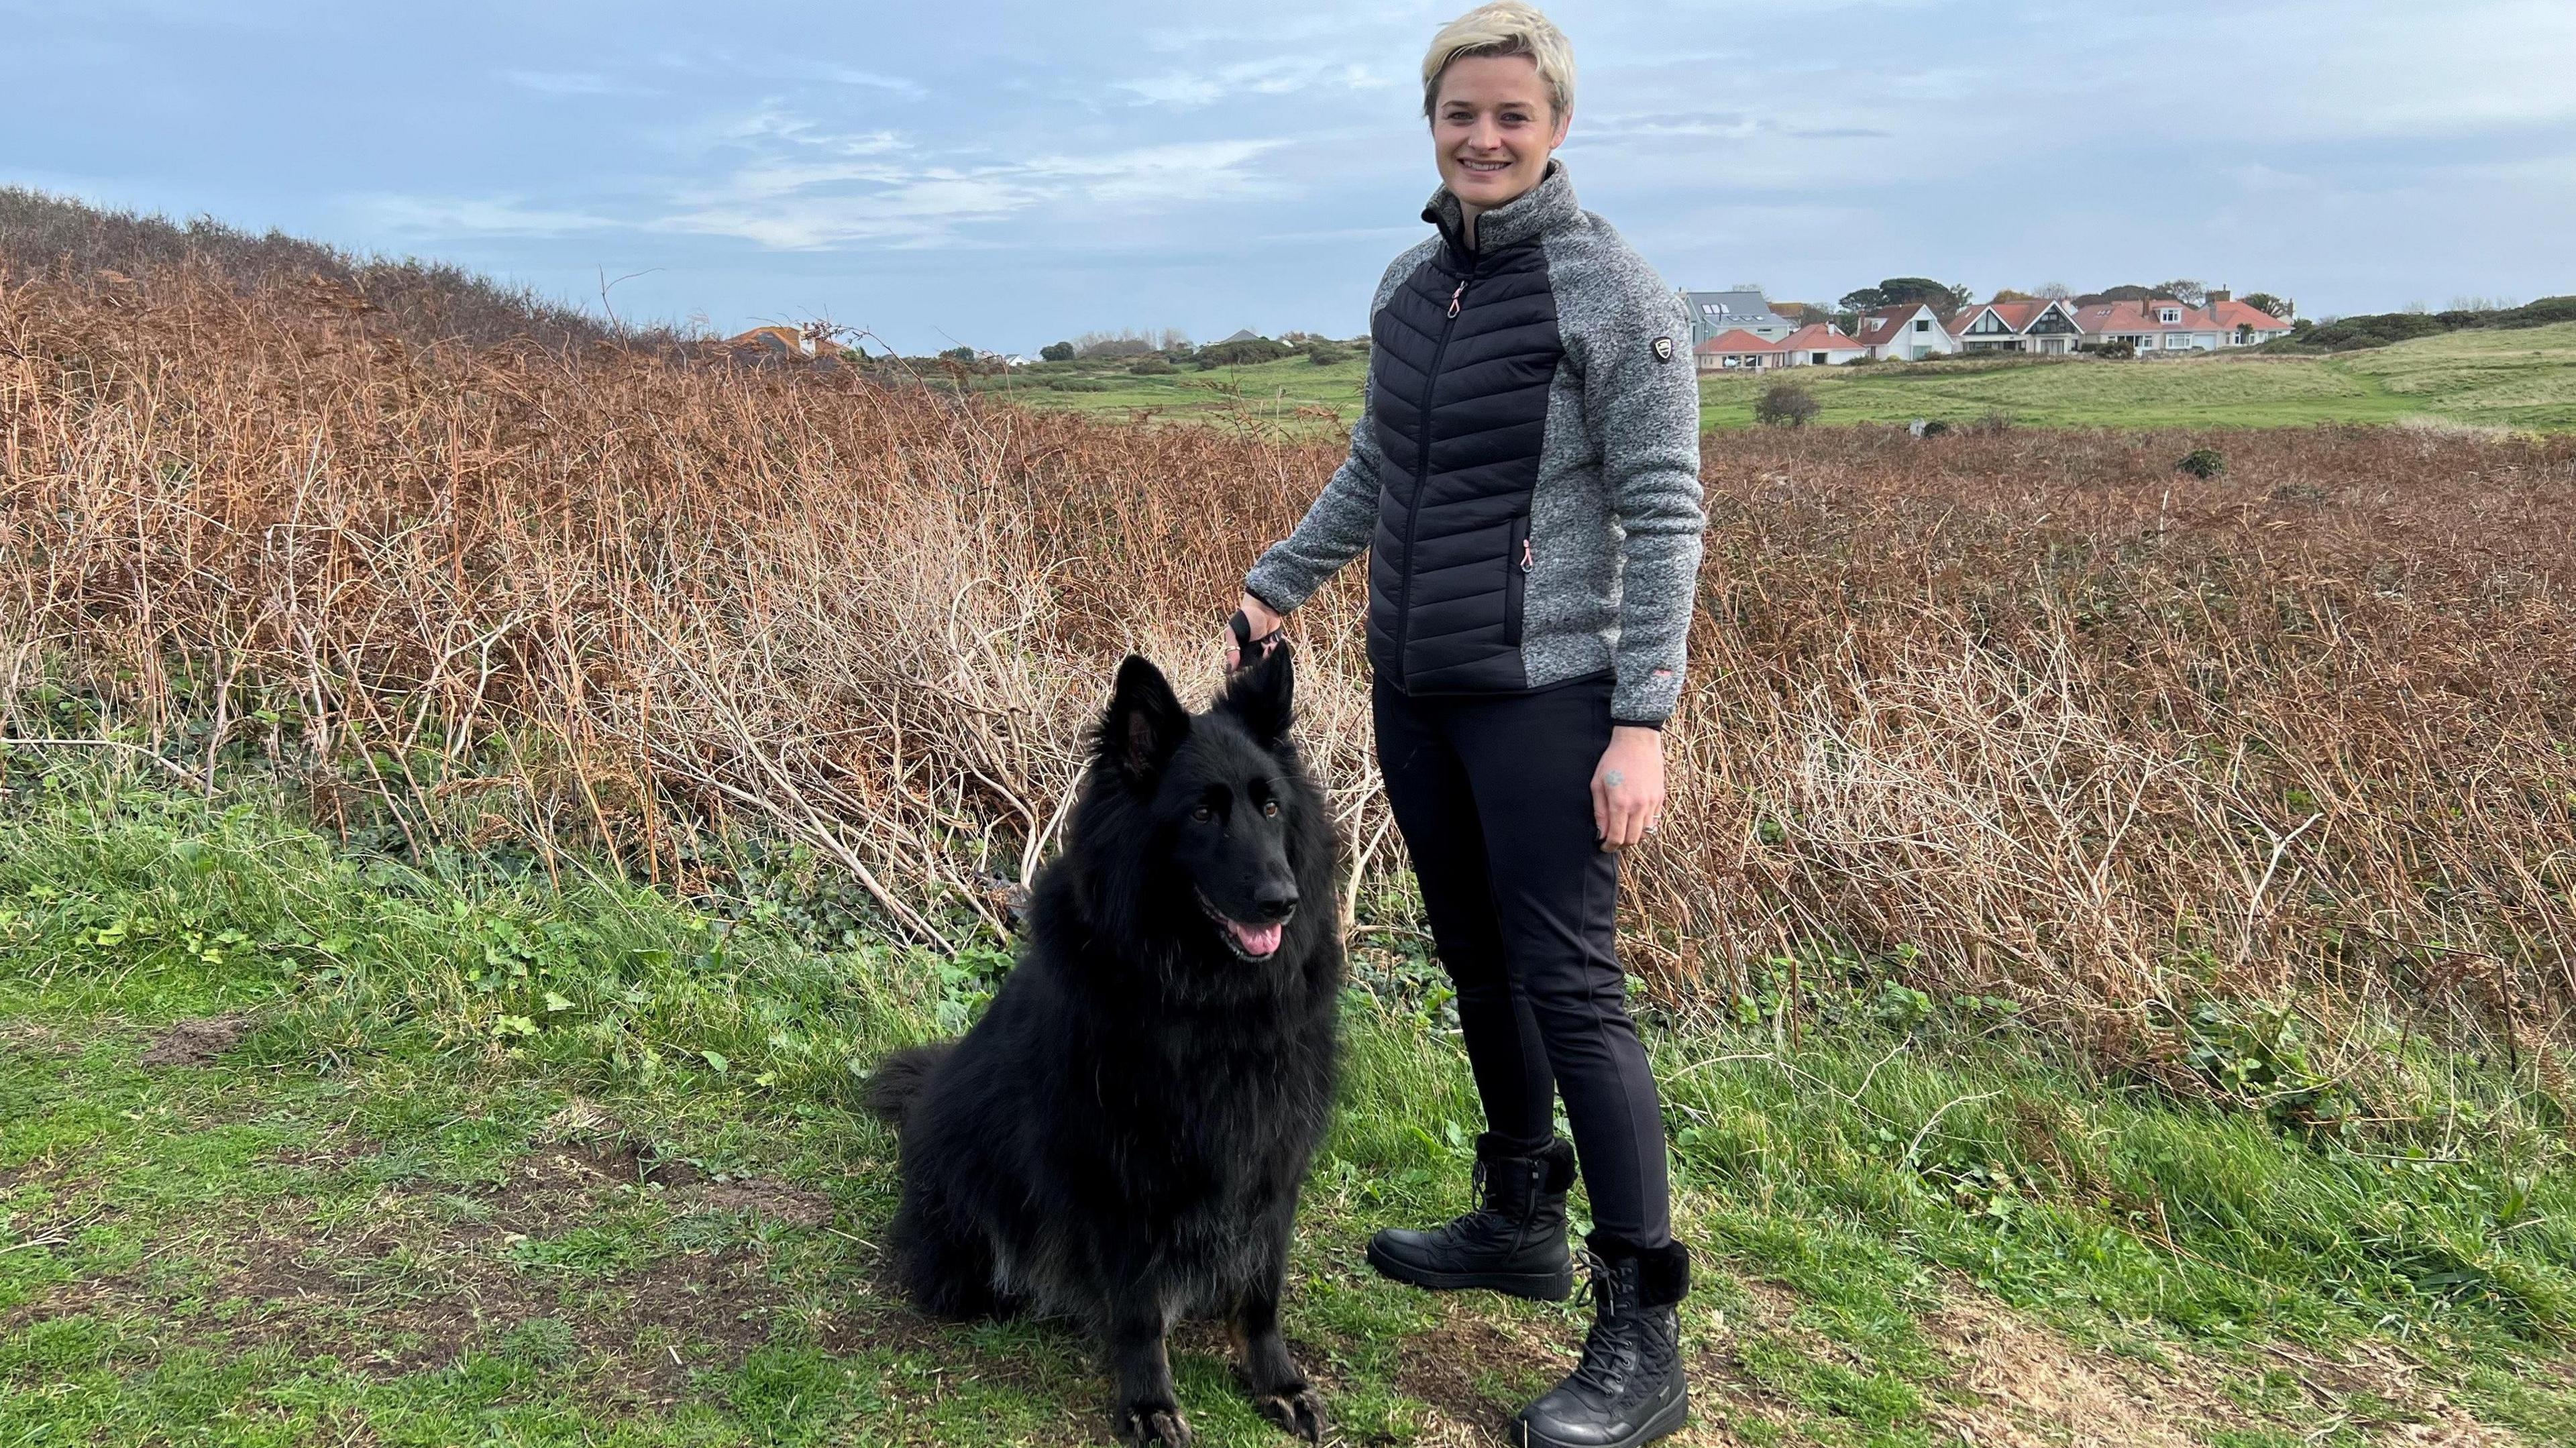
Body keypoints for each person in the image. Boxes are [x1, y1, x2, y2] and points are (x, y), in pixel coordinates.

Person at [1224, 5, 1703, 1445]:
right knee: (1477, 958)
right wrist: (1277, 583)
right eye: (1460, 116)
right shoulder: (1409, 282)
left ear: (1556, 127)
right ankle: (1516, 1217)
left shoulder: (1611, 291)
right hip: (1416, 684)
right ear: (1430, 126)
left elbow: (1666, 511)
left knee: (1575, 987)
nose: (1484, 138)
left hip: (1551, 697)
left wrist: (1644, 721)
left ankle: (1642, 1332)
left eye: (1512, 116)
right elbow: (1381, 461)